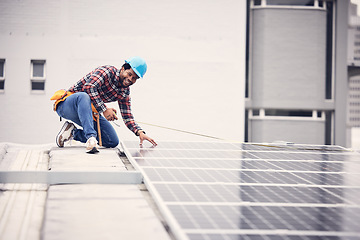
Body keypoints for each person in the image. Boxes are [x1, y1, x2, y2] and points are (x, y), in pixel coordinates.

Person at [53, 56, 157, 153]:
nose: (130, 79)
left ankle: (72, 132)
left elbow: (127, 117)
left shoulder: (124, 92)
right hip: (67, 106)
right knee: (84, 96)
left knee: (112, 140)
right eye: (129, 74)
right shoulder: (108, 71)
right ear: (123, 69)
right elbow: (89, 87)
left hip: (87, 113)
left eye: (134, 78)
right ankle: (91, 139)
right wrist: (104, 109)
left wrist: (140, 132)